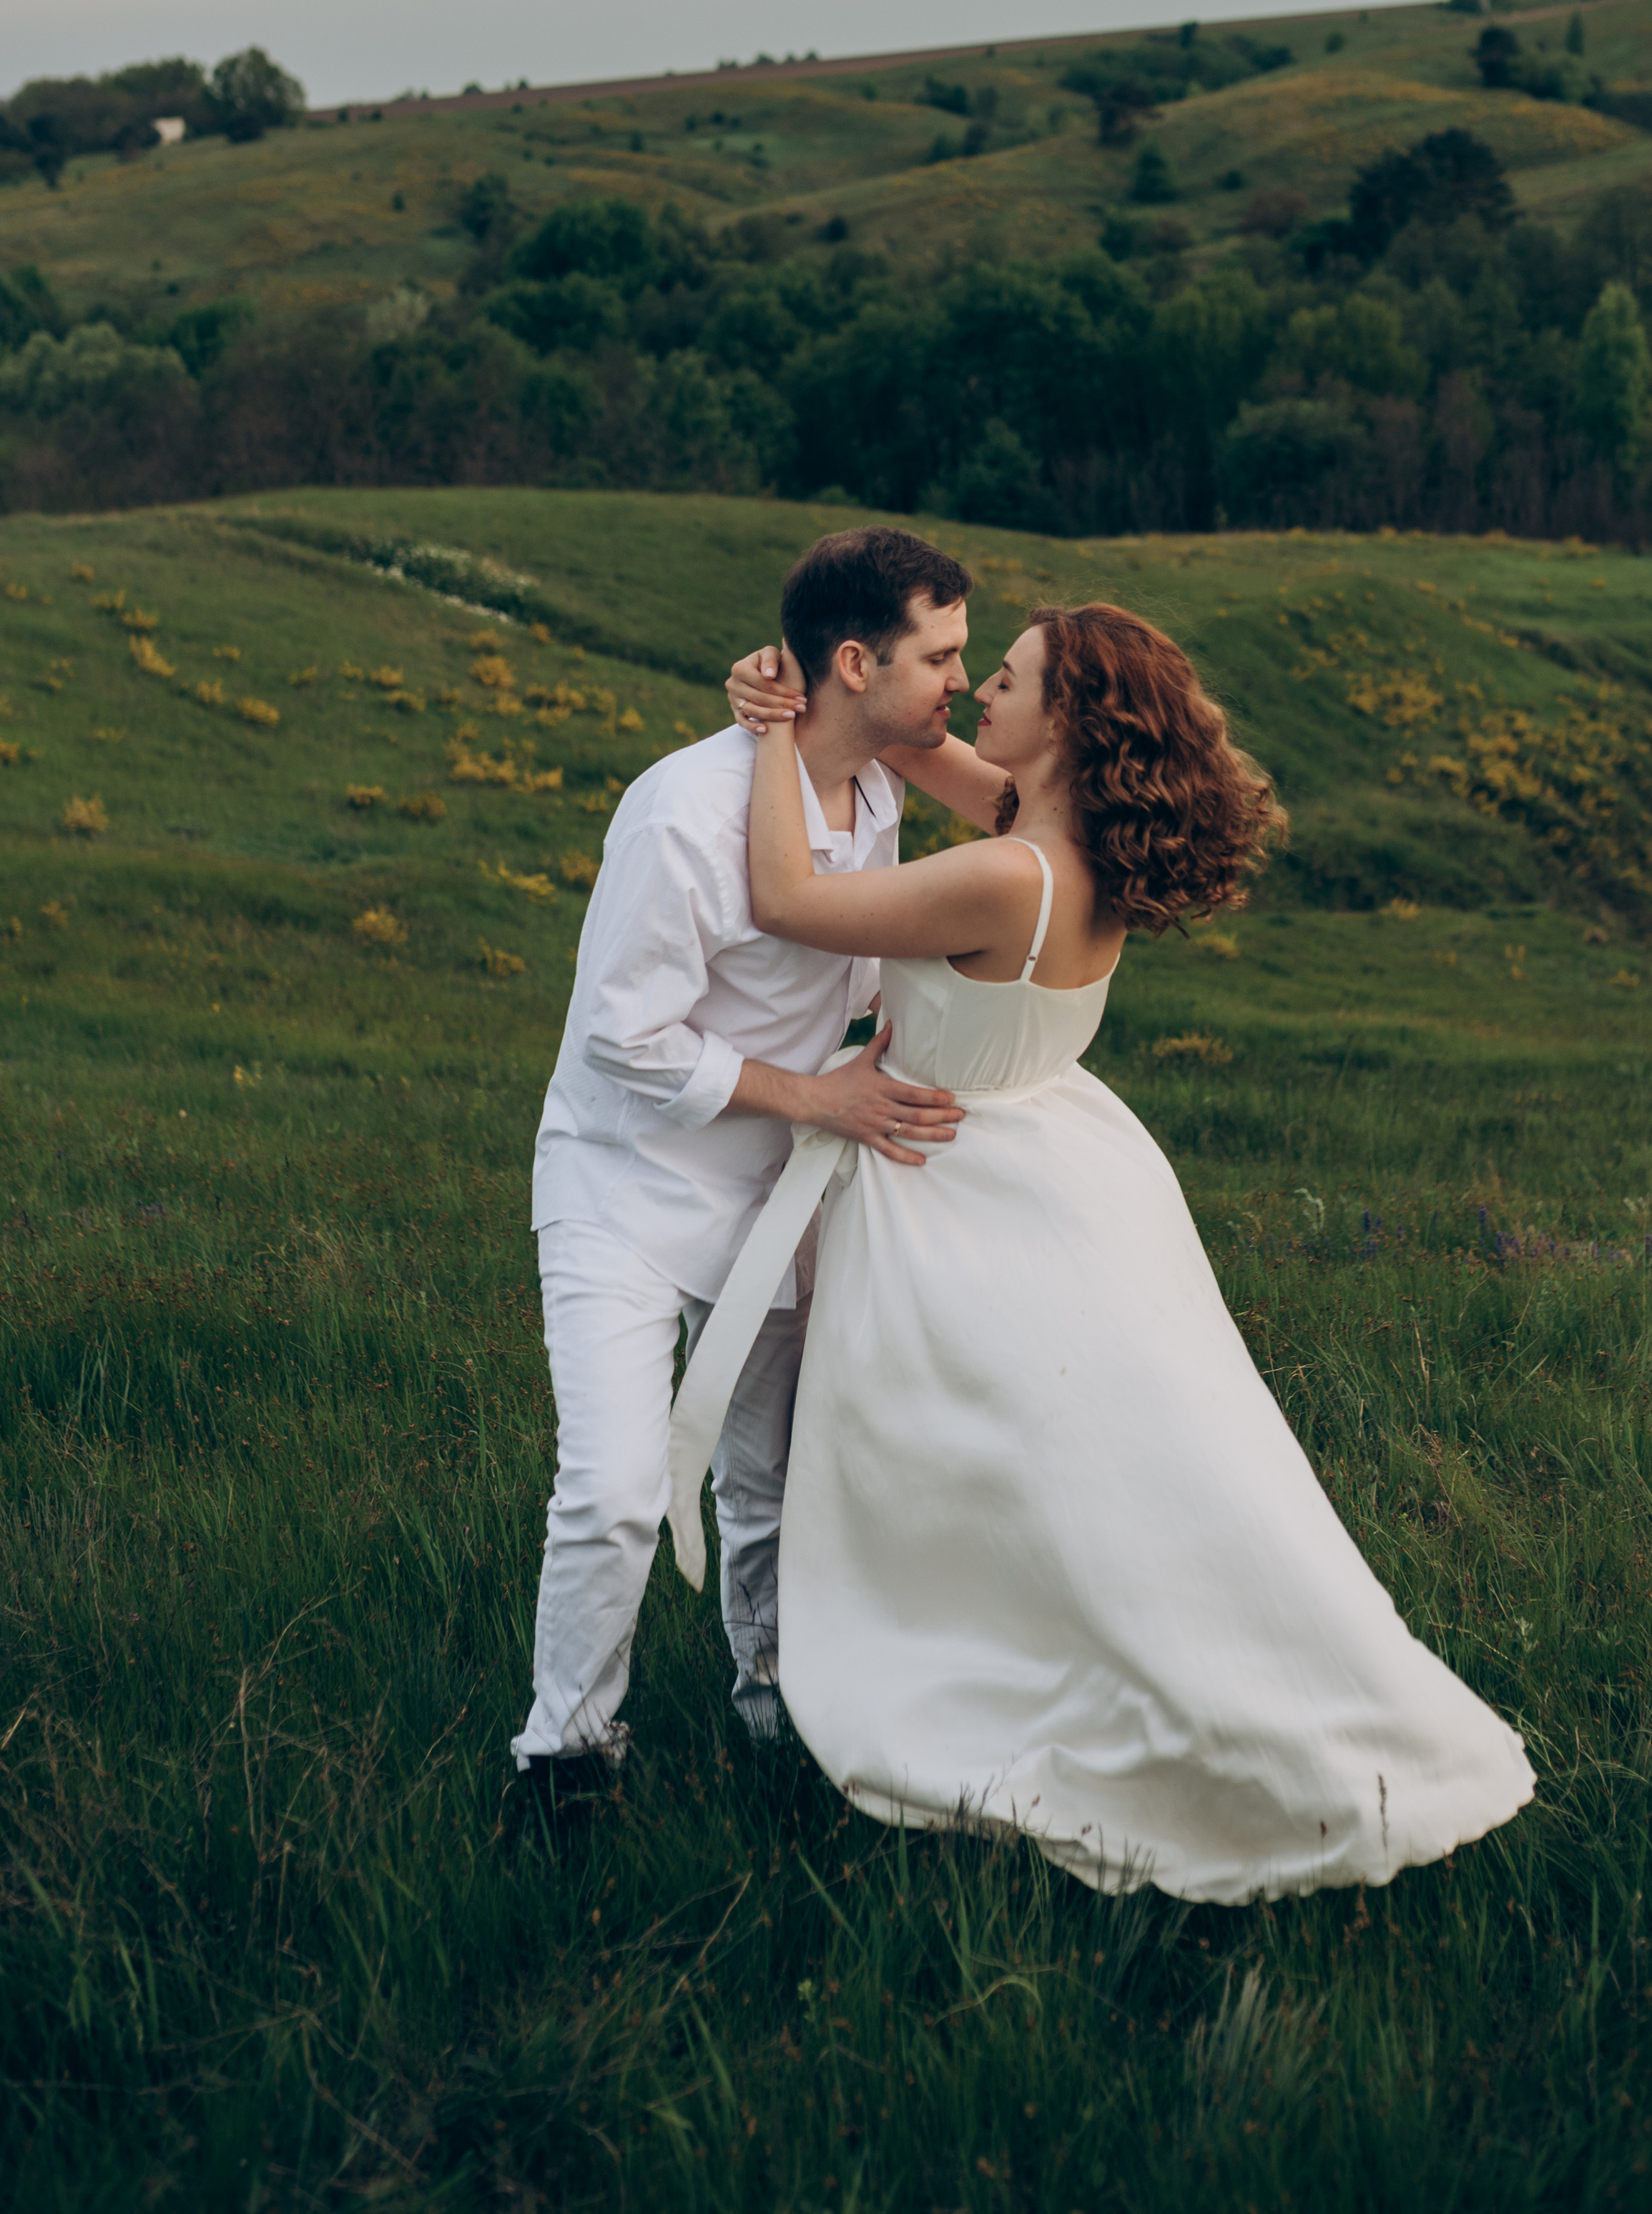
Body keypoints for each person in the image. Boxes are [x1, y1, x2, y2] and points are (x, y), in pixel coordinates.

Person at [715, 603, 1535, 1901]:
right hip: (1059, 1159)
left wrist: (767, 731)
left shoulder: (1007, 874)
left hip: (957, 1179)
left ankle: (1020, 1689)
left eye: (1010, 674)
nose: (981, 685)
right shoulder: (1055, 835)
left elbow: (786, 897)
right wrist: (855, 695)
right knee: (1082, 1480)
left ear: (1071, 721)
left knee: (974, 1468)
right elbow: (928, 755)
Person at [512, 526, 978, 1808]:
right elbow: (622, 1037)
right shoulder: (683, 814)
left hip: (777, 1186)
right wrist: (819, 1093)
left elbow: (960, 824)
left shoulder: (882, 777)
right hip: (622, 1181)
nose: (960, 679)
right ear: (850, 661)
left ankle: (774, 1711)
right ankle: (565, 1758)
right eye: (940, 654)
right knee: (612, 1487)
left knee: (769, 1483)